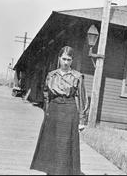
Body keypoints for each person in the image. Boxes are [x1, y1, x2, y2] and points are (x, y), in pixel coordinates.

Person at [30, 46, 89, 175]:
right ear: (59, 59)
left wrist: (82, 120)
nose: (66, 62)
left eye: (69, 59)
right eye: (64, 59)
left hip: (69, 111)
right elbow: (46, 94)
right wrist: (47, 111)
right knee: (51, 144)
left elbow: (83, 98)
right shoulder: (51, 75)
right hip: (53, 111)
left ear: (72, 60)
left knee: (65, 145)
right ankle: (50, 171)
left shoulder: (77, 76)